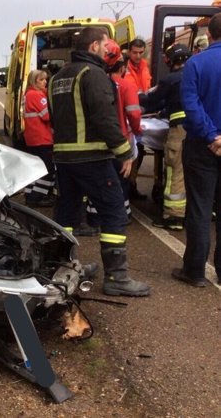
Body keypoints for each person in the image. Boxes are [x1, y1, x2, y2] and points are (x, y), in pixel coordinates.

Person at [48, 27, 150, 297]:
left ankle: (64, 267)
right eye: (106, 45)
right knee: (115, 211)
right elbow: (105, 118)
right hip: (92, 157)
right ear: (94, 46)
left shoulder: (57, 77)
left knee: (66, 214)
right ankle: (117, 277)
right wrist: (124, 151)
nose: (109, 50)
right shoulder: (93, 75)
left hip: (64, 158)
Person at [175, 13, 221, 287]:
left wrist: (212, 136)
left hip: (202, 146)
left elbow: (191, 107)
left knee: (200, 209)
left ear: (210, 33)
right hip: (212, 142)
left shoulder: (196, 63)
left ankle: (194, 271)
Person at [86, 41, 141, 225]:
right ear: (123, 66)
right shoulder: (126, 86)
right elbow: (134, 113)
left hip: (98, 140)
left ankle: (94, 216)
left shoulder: (95, 81)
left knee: (99, 181)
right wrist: (139, 130)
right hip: (121, 139)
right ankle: (122, 215)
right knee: (121, 180)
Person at [140, 44, 191, 231]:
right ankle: (200, 210)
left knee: (175, 171)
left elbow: (151, 99)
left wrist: (135, 97)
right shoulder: (197, 74)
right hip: (202, 130)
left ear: (170, 60)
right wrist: (164, 111)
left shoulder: (171, 79)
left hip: (180, 131)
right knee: (194, 171)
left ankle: (174, 216)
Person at [124, 37, 152, 200]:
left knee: (139, 150)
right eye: (135, 52)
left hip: (143, 111)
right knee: (131, 151)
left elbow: (146, 88)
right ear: (129, 52)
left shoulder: (144, 67)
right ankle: (127, 185)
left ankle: (131, 183)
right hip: (129, 113)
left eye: (141, 53)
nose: (138, 56)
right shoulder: (124, 68)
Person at [23, 69, 55, 207]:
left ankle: (30, 193)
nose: (45, 82)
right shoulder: (37, 95)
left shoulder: (28, 94)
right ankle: (37, 197)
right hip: (42, 138)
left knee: (35, 168)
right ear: (34, 81)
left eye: (45, 79)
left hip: (32, 138)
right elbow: (47, 115)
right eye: (41, 80)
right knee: (48, 170)